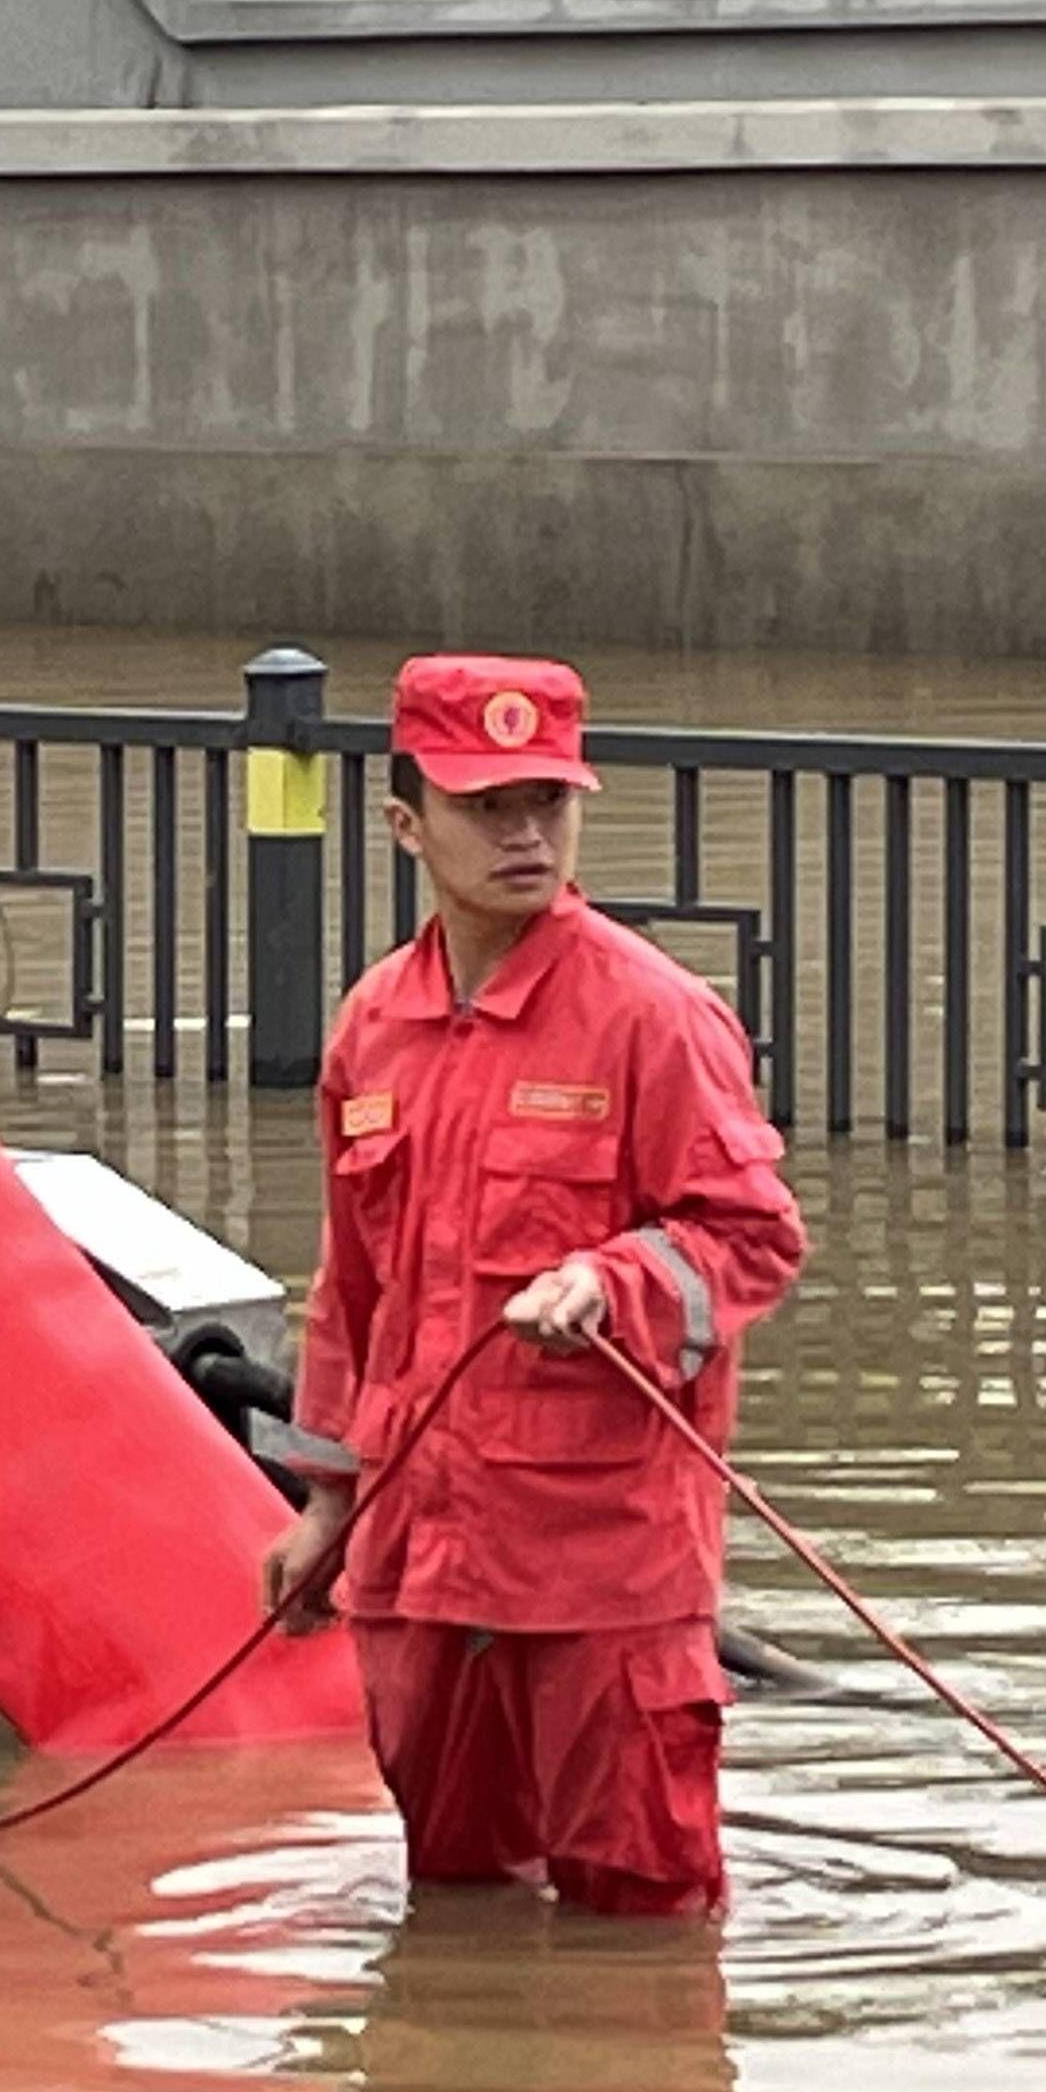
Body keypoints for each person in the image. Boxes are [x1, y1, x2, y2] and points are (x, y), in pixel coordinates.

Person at [260, 654, 806, 1918]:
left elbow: (752, 1237)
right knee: (452, 1904)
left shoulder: (652, 1017)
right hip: (422, 1563)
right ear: (407, 824)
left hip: (601, 1573)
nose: (524, 835)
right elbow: (350, 1295)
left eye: (547, 803)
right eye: (486, 805)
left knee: (644, 1916)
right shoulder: (373, 1027)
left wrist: (615, 1282)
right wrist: (323, 1506)